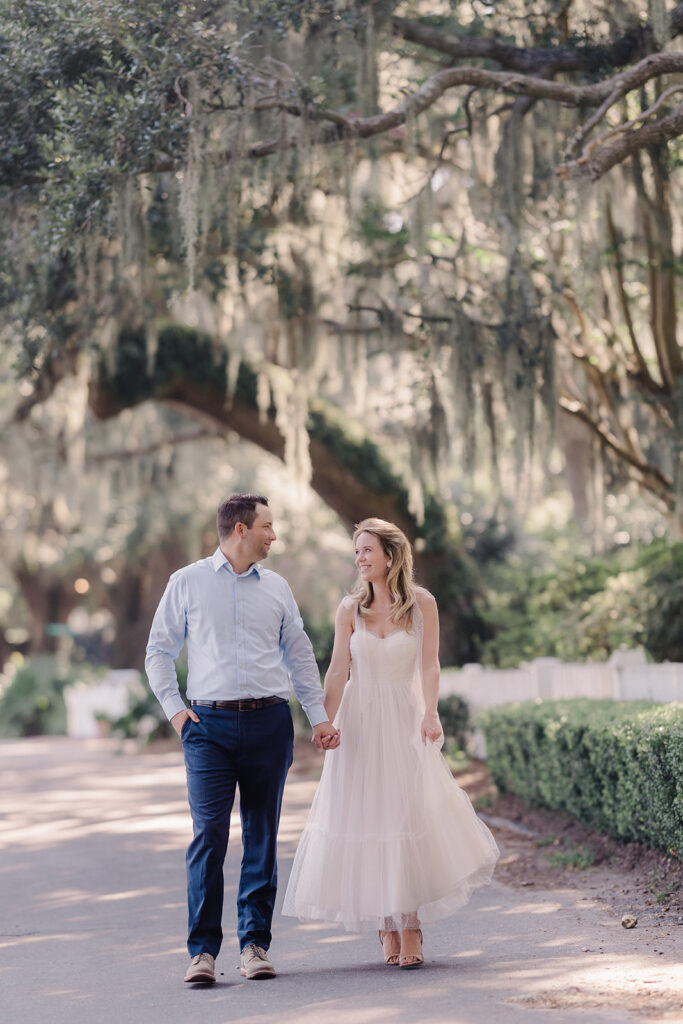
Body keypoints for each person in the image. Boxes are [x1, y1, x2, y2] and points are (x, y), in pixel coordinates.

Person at [282, 517, 499, 968]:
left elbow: (430, 665)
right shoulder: (349, 609)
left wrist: (431, 711)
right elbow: (338, 669)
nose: (359, 558)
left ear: (390, 555)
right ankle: (386, 923)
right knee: (368, 814)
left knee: (404, 810)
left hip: (402, 718)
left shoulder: (422, 604)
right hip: (358, 722)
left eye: (367, 550)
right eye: (356, 551)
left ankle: (411, 923)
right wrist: (323, 720)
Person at [145, 494, 339, 985]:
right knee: (209, 836)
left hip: (269, 723)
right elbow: (158, 651)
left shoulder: (276, 587)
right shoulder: (186, 582)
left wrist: (317, 716)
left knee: (262, 835)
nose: (274, 534)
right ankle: (202, 952)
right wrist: (176, 712)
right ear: (240, 529)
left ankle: (255, 945)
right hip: (207, 728)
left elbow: (299, 654)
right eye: (267, 525)